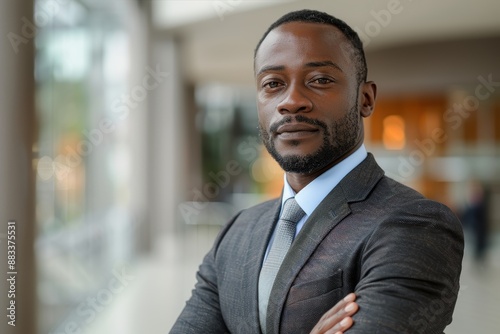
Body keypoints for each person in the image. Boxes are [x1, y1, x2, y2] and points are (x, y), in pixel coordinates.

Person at [170, 9, 464, 334]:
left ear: (365, 99)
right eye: (273, 84)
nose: (291, 101)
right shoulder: (237, 233)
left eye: (320, 80)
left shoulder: (416, 225)